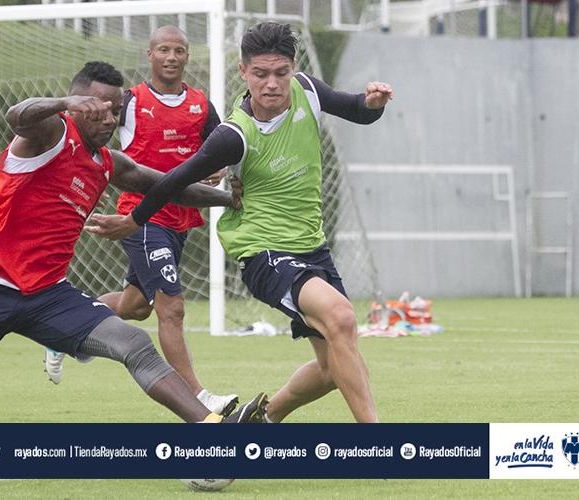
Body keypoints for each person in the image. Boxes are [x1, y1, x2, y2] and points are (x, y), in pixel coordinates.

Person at [0, 61, 268, 431]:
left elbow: (170, 186)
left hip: (49, 297)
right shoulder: (49, 134)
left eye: (116, 111)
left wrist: (227, 200)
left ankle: (212, 429)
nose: (109, 120)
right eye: (99, 109)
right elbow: (17, 116)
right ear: (78, 105)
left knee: (134, 343)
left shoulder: (109, 163)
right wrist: (63, 103)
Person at [86, 23, 394, 423]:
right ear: (243, 72)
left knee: (333, 367)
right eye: (261, 74)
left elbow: (356, 110)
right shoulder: (235, 134)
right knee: (341, 317)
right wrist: (134, 219)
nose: (272, 84)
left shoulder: (308, 91)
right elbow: (175, 180)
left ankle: (257, 421)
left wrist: (373, 103)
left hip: (311, 247)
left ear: (293, 69)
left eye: (280, 73)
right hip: (263, 251)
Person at [43, 26, 238, 417]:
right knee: (172, 307)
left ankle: (61, 331)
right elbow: (96, 132)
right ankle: (197, 396)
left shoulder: (201, 104)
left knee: (135, 306)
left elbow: (219, 147)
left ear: (187, 56)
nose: (171, 57)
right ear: (149, 55)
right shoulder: (129, 100)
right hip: (142, 216)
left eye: (179, 50)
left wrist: (219, 169)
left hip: (181, 216)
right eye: (163, 49)